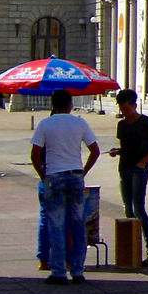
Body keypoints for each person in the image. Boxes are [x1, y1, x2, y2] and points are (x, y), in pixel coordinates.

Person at [30, 89, 99, 284]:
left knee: (56, 225)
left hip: (54, 176)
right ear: (70, 104)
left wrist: (43, 175)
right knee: (77, 224)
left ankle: (59, 271)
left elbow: (35, 154)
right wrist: (83, 171)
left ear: (52, 105)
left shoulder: (45, 124)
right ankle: (77, 270)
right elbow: (95, 150)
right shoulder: (80, 123)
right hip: (75, 175)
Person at [107, 88, 148, 266]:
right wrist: (117, 151)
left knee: (139, 208)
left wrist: (143, 162)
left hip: (139, 169)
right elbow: (126, 146)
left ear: (134, 105)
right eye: (122, 110)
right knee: (128, 210)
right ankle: (131, 250)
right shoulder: (122, 125)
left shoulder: (146, 122)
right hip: (124, 168)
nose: (124, 113)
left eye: (126, 109)